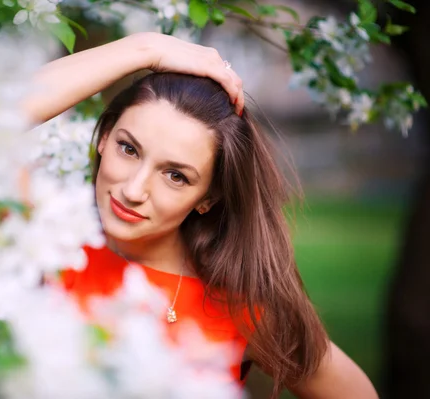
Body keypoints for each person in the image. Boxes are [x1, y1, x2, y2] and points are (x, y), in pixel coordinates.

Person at [25, 32, 378, 398]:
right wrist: (147, 47)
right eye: (128, 149)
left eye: (176, 176)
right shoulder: (42, 238)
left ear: (207, 197)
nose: (133, 190)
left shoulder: (237, 305)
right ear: (105, 136)